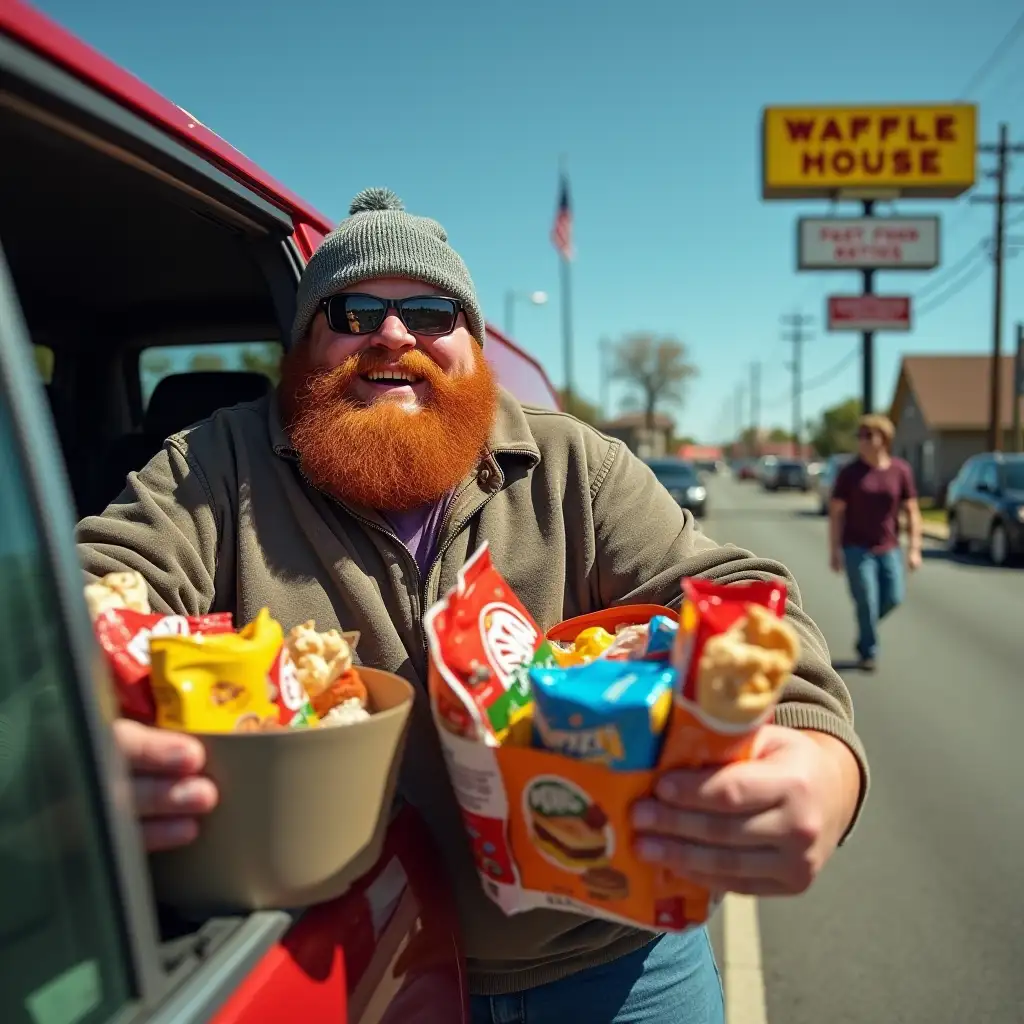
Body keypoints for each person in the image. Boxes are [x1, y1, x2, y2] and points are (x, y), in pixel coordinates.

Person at [77, 188, 868, 1024]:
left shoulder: (576, 465)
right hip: (359, 972)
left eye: (430, 311)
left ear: (473, 350)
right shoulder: (212, 465)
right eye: (353, 310)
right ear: (305, 344)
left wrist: (819, 763)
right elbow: (98, 591)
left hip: (618, 967)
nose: (393, 335)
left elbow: (734, 596)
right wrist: (79, 729)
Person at [829, 414, 922, 672]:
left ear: (884, 439)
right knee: (866, 600)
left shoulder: (900, 470)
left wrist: (914, 549)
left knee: (894, 597)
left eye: (869, 435)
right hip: (856, 548)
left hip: (889, 547)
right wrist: (834, 551)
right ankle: (868, 651)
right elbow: (836, 513)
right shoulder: (849, 473)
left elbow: (912, 511)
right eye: (860, 436)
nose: (864, 441)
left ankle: (864, 629)